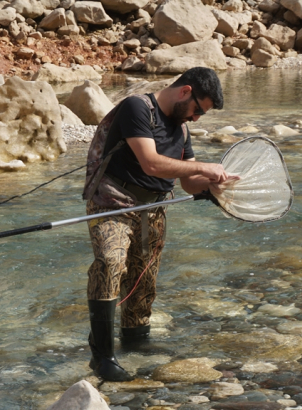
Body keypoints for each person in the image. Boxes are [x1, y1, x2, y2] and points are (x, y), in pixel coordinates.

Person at [84, 67, 236, 382]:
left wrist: (212, 185)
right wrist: (206, 167)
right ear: (185, 91)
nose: (196, 119)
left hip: (153, 209)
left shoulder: (181, 131)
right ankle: (102, 355)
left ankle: (136, 341)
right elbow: (150, 162)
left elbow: (188, 183)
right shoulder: (138, 107)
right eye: (197, 110)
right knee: (110, 263)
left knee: (144, 279)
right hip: (112, 203)